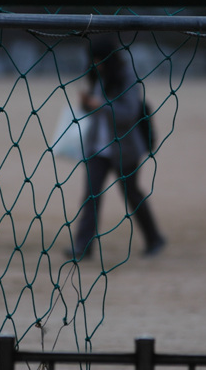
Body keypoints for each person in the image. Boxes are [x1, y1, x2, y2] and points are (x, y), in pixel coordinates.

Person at [67, 36, 166, 260]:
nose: (95, 64)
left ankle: (154, 238)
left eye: (99, 60)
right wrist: (86, 103)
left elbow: (128, 114)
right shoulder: (96, 76)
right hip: (97, 149)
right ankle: (83, 247)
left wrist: (99, 105)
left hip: (125, 149)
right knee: (91, 196)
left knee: (132, 194)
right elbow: (91, 111)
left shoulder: (127, 78)